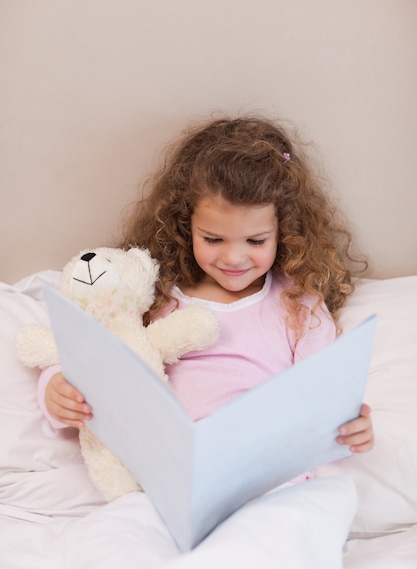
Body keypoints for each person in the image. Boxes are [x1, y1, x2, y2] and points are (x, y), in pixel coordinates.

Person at [39, 115, 374, 463]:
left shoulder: (300, 305)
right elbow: (87, 351)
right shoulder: (155, 296)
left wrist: (351, 426)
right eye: (213, 239)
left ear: (284, 232)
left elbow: (324, 396)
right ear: (186, 227)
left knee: (315, 508)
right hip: (168, 467)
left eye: (255, 240)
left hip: (266, 470)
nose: (233, 257)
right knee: (127, 518)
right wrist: (56, 387)